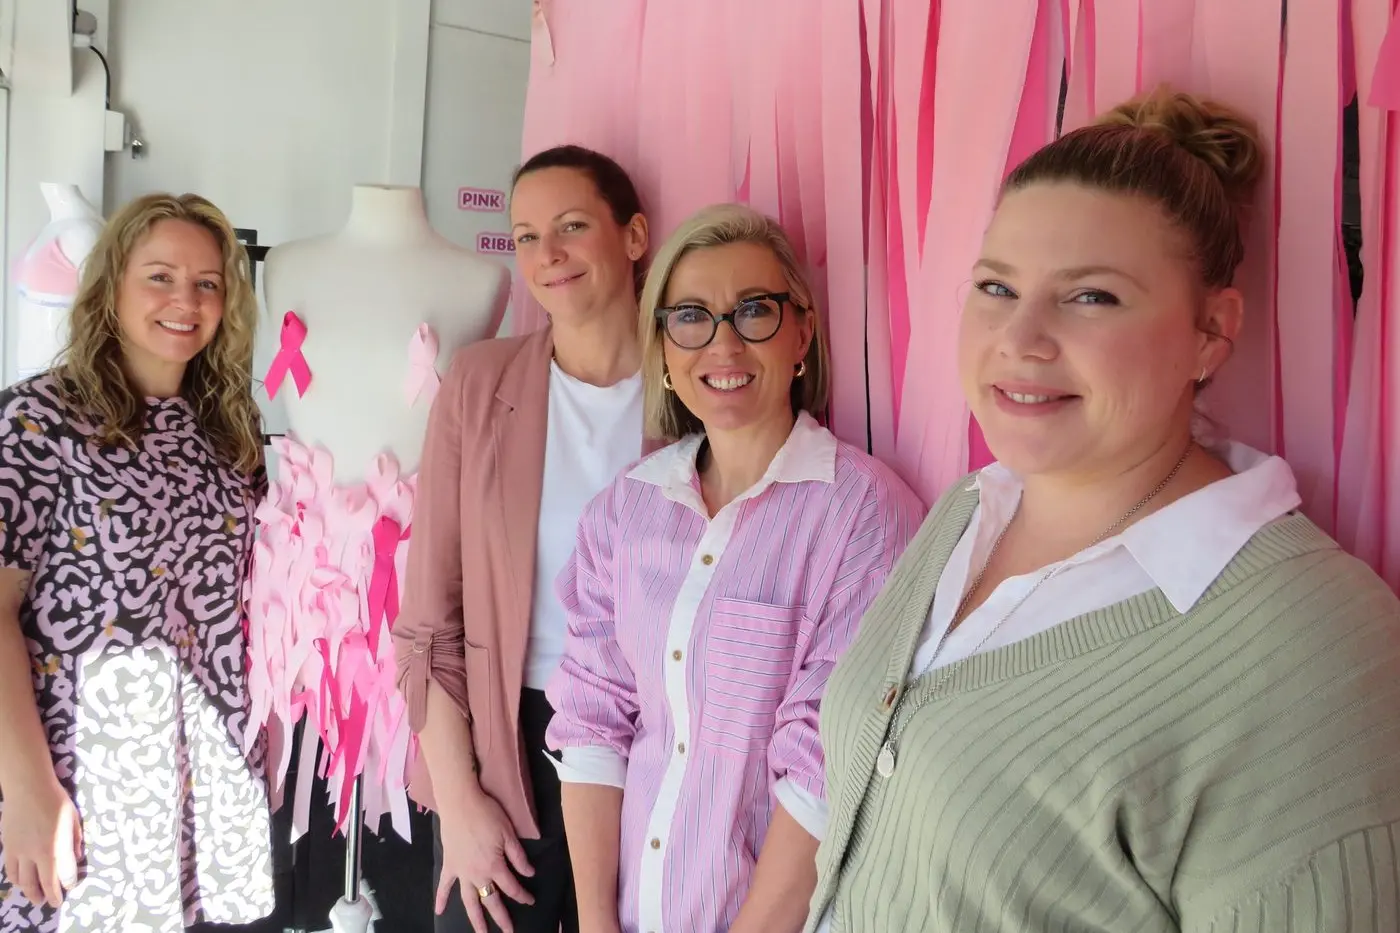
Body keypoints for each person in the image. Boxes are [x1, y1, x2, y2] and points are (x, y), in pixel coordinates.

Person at [806, 86, 1400, 933]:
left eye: (1092, 297)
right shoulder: (968, 511)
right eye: (996, 285)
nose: (1020, 339)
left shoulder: (1312, 638)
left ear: (1211, 331)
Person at [545, 203, 926, 933]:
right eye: (690, 316)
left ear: (802, 335)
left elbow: (826, 764)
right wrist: (596, 921)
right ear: (661, 346)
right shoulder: (624, 509)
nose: (722, 343)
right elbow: (593, 721)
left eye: (754, 311)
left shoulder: (865, 514)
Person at [392, 144, 652, 933]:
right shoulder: (477, 382)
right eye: (527, 236)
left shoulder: (696, 389)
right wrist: (462, 803)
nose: (549, 256)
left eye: (572, 226)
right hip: (510, 737)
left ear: (635, 237)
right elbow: (428, 622)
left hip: (652, 744)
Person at [0, 193, 275, 932]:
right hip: (78, 784)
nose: (186, 300)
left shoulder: (232, 432)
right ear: (112, 283)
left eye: (208, 282)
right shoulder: (40, 419)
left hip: (206, 790)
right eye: (160, 276)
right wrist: (28, 788)